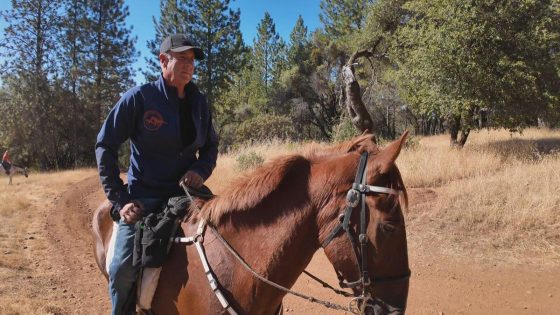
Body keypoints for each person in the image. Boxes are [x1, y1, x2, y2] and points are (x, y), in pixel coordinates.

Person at [95, 33, 218, 315]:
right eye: (182, 58)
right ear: (163, 60)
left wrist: (200, 169)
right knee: (122, 268)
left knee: (225, 235)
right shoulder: (139, 98)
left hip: (186, 195)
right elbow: (105, 144)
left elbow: (211, 146)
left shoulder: (199, 103)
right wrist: (120, 200)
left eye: (192, 60)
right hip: (143, 199)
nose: (189, 65)